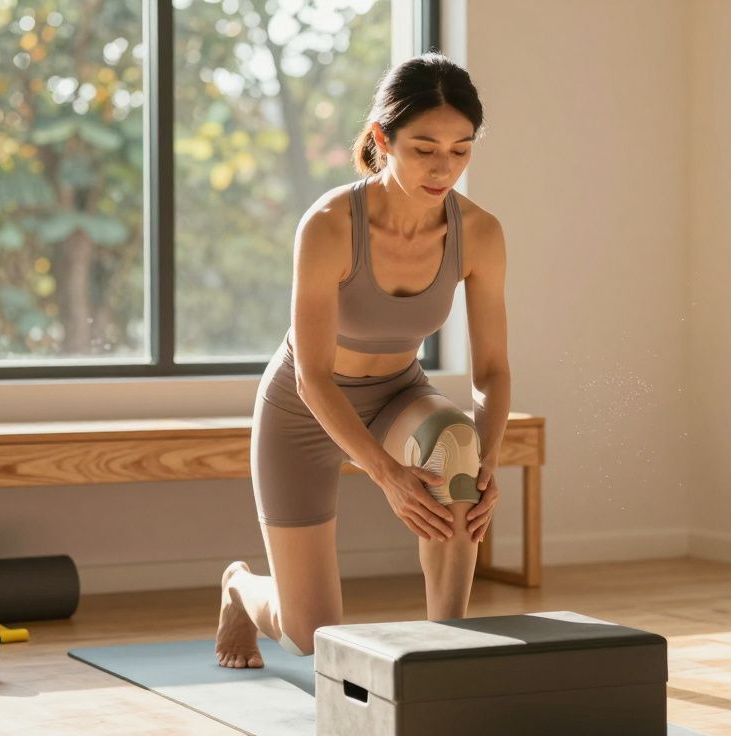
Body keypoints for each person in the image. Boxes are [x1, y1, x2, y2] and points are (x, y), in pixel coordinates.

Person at [216, 53, 511, 668]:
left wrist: (485, 464)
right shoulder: (329, 225)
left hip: (397, 396)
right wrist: (386, 475)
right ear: (382, 138)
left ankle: (446, 657)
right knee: (311, 636)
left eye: (460, 150)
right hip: (303, 407)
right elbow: (312, 375)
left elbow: (491, 371)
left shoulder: (479, 233)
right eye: (424, 149)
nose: (444, 168)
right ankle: (240, 589)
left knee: (458, 450)